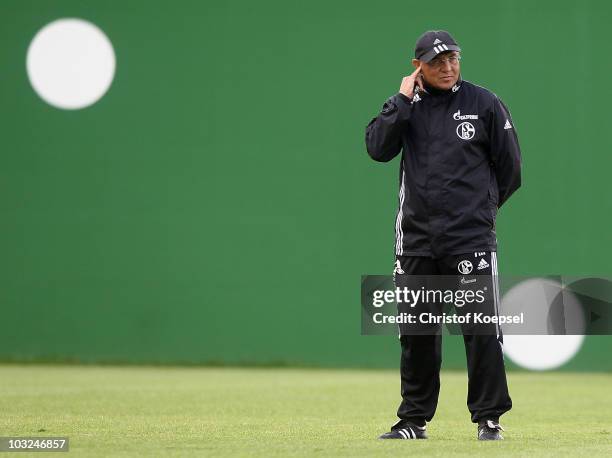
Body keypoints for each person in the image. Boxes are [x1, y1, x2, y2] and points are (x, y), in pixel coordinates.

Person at [364, 30, 522, 441]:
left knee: (481, 329)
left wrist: (480, 213)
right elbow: (377, 148)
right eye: (437, 62)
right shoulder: (406, 107)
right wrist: (400, 101)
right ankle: (413, 421)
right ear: (418, 67)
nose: (448, 67)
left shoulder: (484, 103)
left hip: (469, 240)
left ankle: (489, 419)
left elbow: (510, 170)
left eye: (453, 58)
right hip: (415, 240)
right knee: (416, 333)